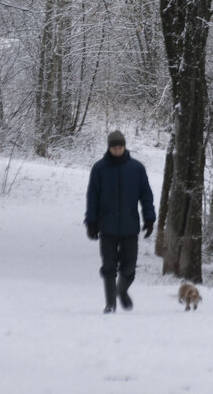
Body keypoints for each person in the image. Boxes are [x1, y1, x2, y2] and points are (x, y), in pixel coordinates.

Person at [84, 130, 156, 313]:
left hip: (130, 226)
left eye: (120, 147)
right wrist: (91, 222)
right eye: (114, 147)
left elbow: (146, 195)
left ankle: (121, 290)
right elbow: (92, 196)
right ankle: (110, 304)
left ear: (124, 147)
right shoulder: (99, 169)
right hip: (106, 226)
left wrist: (149, 218)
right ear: (109, 148)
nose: (117, 150)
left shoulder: (137, 169)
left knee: (129, 268)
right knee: (109, 267)